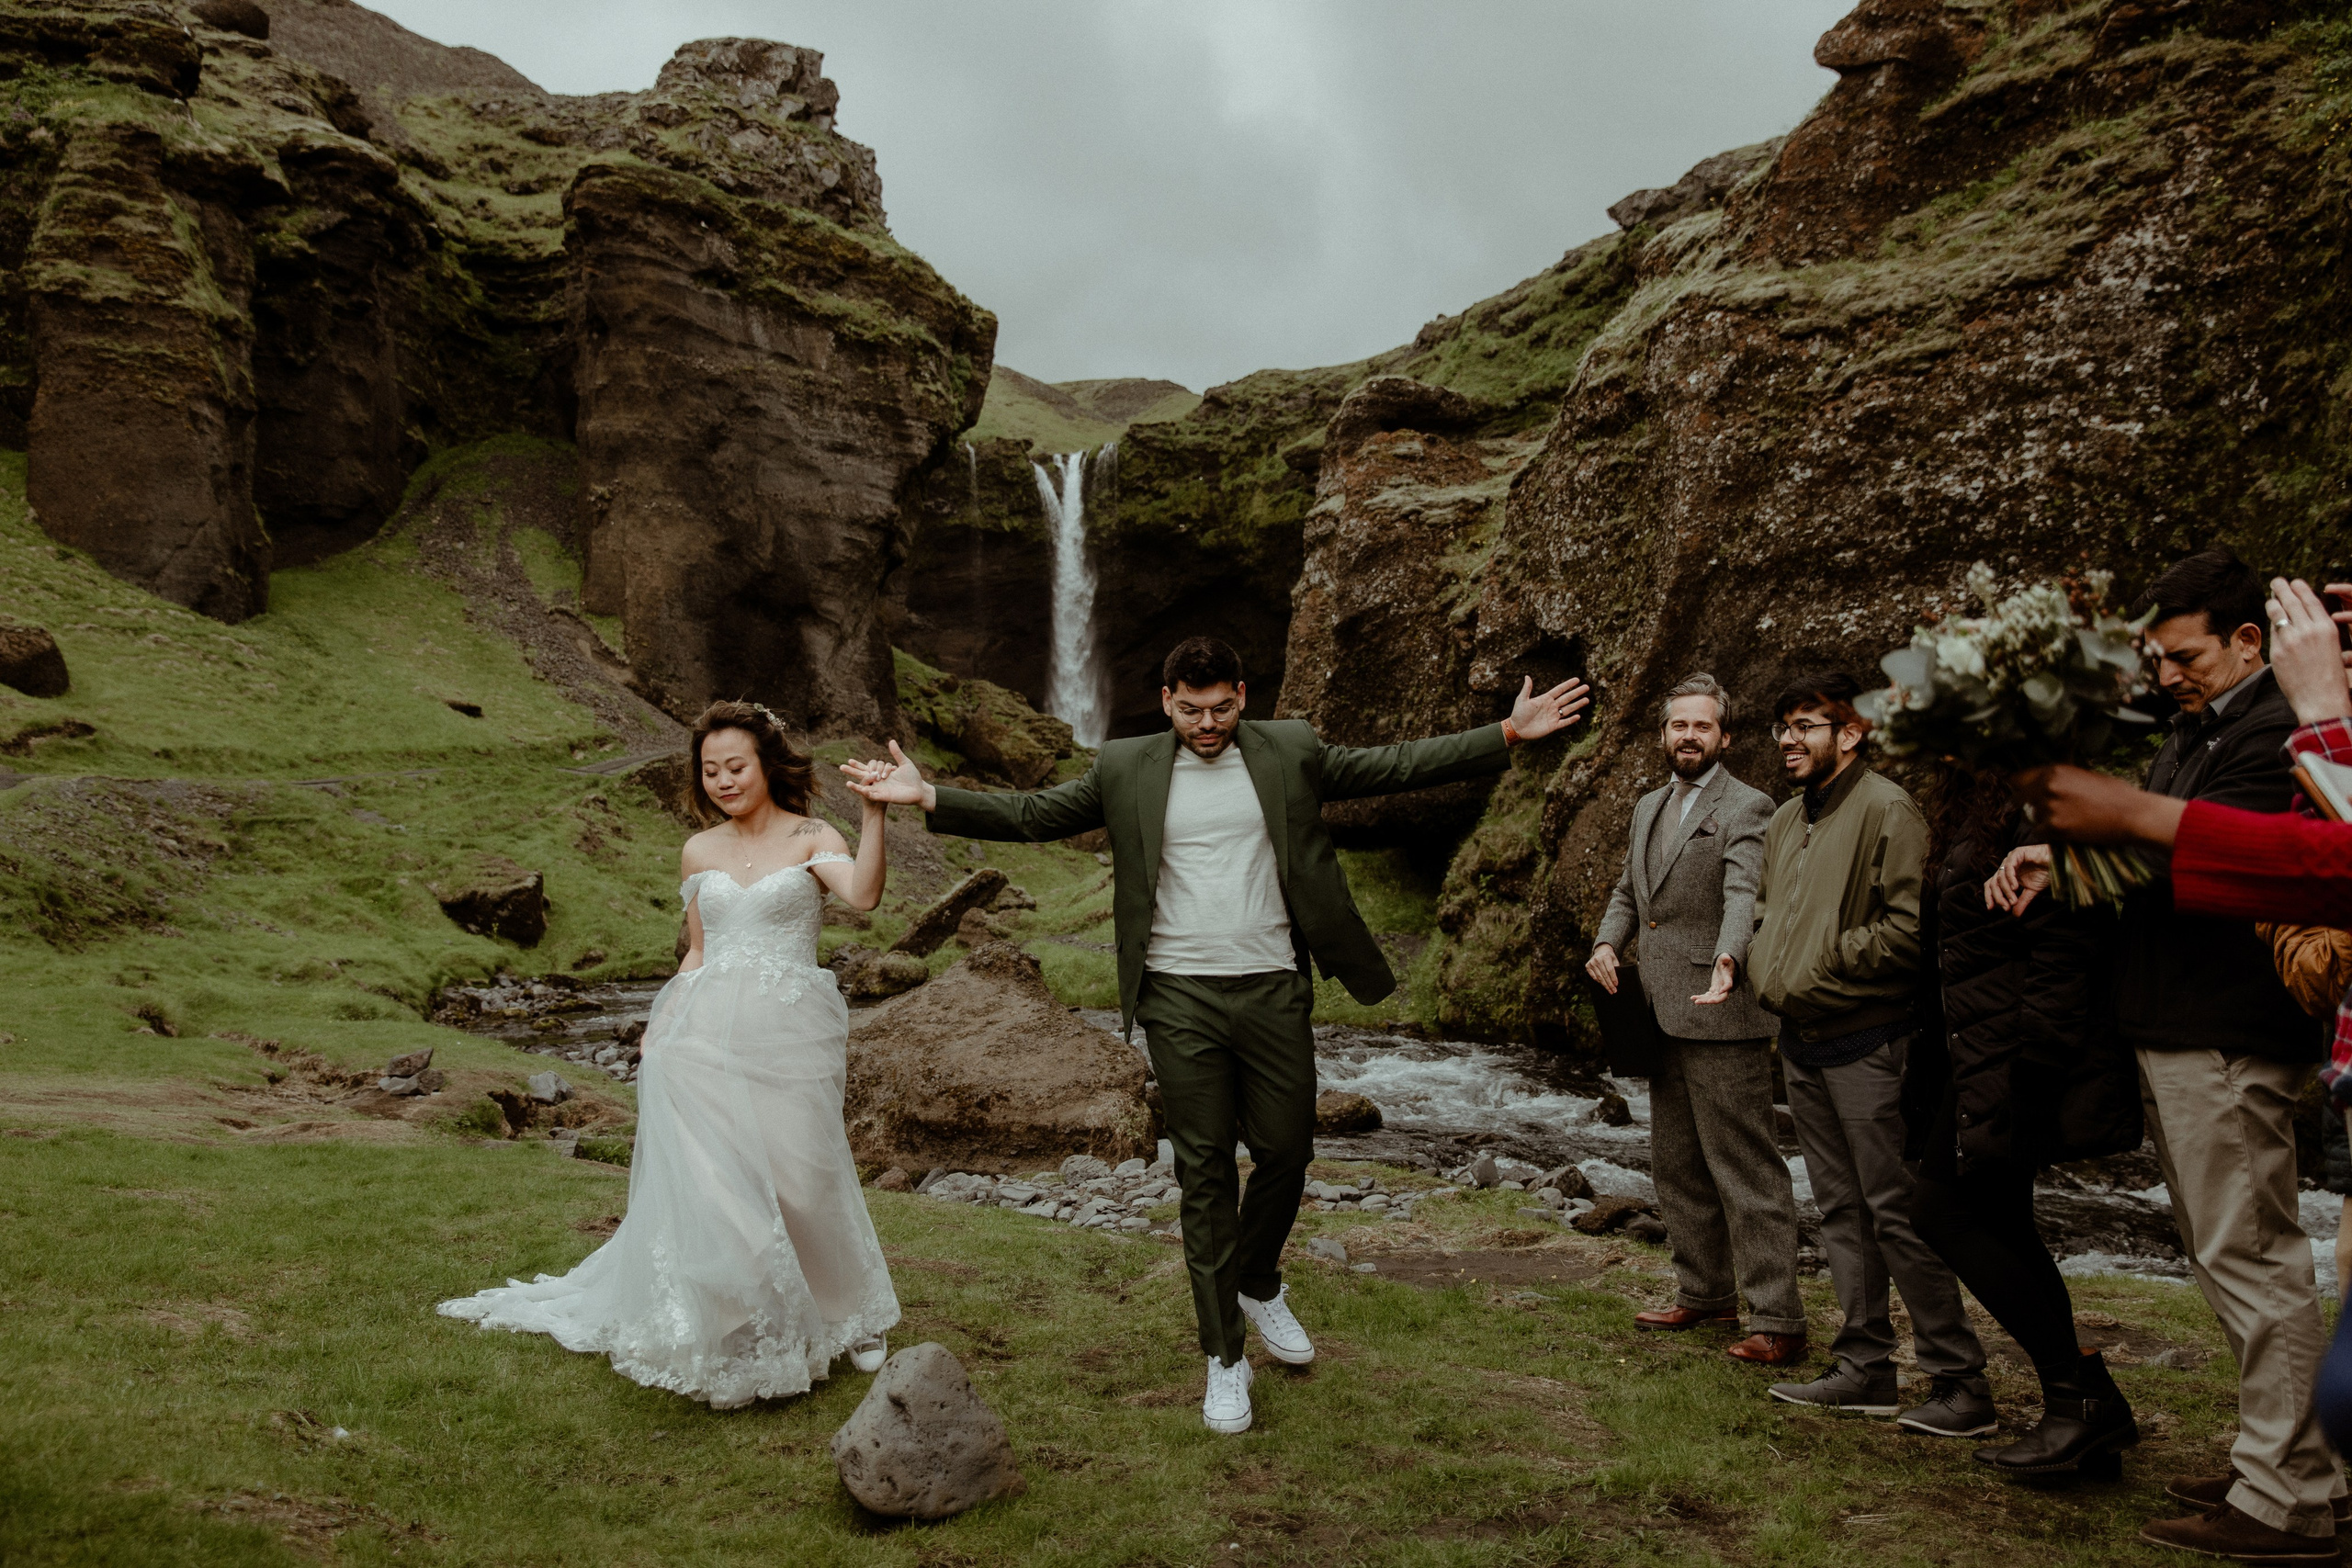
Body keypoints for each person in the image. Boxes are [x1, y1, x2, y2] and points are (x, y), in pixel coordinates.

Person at [844, 636, 1589, 1434]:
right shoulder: (1124, 765)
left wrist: (1506, 733)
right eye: (1192, 710)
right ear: (1167, 701)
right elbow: (1034, 815)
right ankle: (1225, 1356)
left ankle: (1258, 1279)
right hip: (1177, 995)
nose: (1208, 724)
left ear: (1242, 693)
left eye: (1223, 708)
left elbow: (1396, 764)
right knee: (1204, 1173)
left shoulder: (1289, 748)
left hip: (1272, 984)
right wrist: (929, 796)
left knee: (1288, 1148)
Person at [1996, 555, 2343, 1561]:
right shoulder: (2205, 731)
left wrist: (2074, 851)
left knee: (2251, 1258)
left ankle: (2287, 1498)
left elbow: (2194, 859)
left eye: (2183, 655)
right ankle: (2288, 1464)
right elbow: (2149, 857)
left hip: (2227, 1028)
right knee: (2226, 1255)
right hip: (2184, 1024)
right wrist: (2068, 860)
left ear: (2248, 640)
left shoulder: (2276, 731)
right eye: (2156, 658)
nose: (2165, 675)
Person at [439, 702, 900, 1407]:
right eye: (711, 770)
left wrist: (873, 814)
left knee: (804, 1176)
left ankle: (848, 1314)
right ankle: (738, 1322)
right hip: (705, 1033)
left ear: (767, 764)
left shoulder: (814, 835)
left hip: (789, 1028)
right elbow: (699, 950)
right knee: (720, 1188)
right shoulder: (698, 850)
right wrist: (665, 1019)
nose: (724, 780)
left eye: (736, 766)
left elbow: (863, 895)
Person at [1709, 671, 1991, 1435]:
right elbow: (1767, 913)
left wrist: (1817, 961)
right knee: (1840, 1210)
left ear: (1852, 733)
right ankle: (1865, 1366)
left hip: (1871, 1042)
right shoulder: (1787, 819)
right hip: (1803, 1042)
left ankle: (1959, 1380)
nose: (1789, 740)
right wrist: (1765, 960)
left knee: (1895, 1212)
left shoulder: (1888, 808)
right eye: (1784, 727)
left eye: (1806, 725)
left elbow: (1907, 931)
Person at [1901, 762, 2142, 1480]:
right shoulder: (1972, 801)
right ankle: (2083, 1403)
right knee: (2002, 1222)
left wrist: (2035, 1070)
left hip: (2016, 1058)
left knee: (1941, 1211)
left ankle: (2080, 1395)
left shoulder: (2040, 801)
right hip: (1976, 1055)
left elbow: (2065, 949)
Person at [1587, 672, 1804, 1366]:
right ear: (1664, 734)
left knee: (1746, 1170)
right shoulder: (1648, 806)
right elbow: (1629, 890)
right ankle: (1705, 1293)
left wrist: (1729, 956)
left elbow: (1745, 892)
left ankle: (1779, 1319)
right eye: (1678, 725)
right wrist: (1605, 943)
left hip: (1723, 1012)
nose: (1689, 735)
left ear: (1724, 736)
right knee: (1676, 1166)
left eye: (1702, 725)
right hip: (1656, 1012)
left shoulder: (1750, 805)